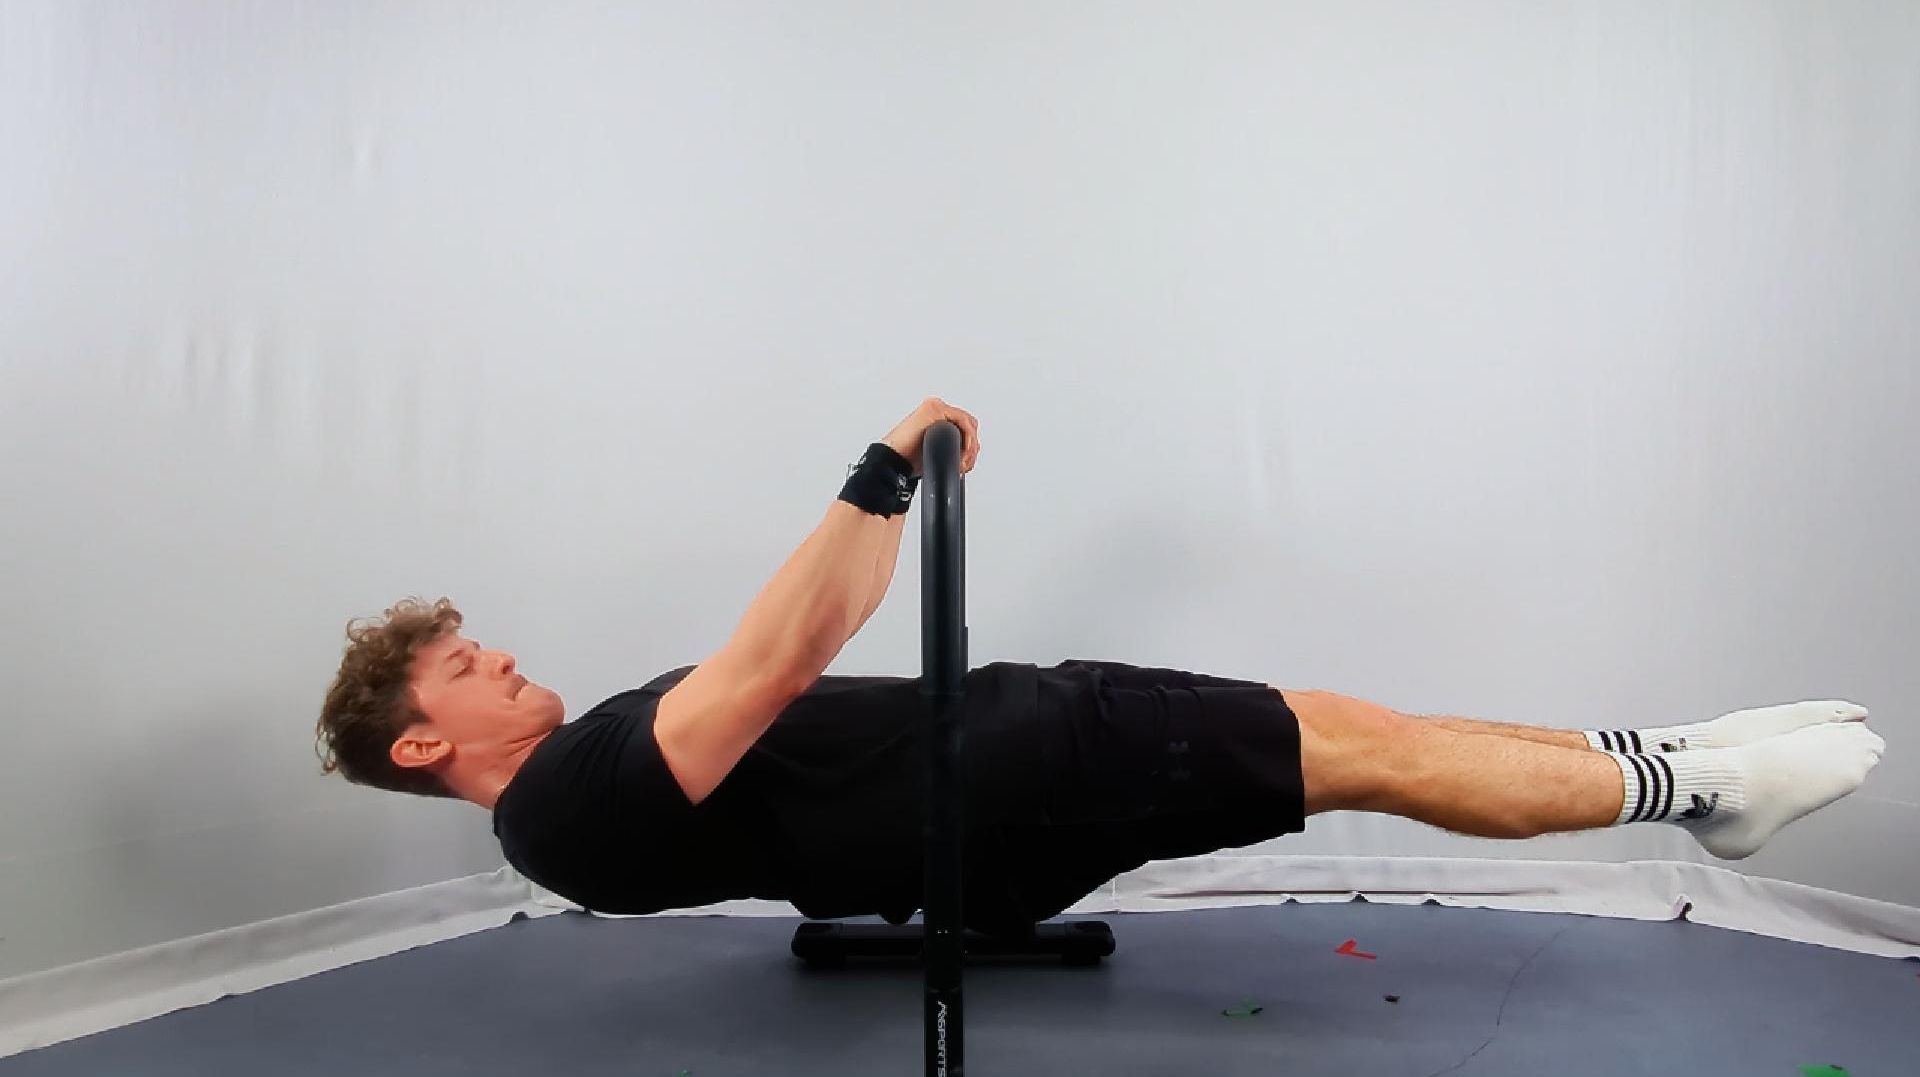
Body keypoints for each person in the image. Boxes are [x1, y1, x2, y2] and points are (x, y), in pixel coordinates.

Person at [313, 398, 1885, 935]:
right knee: (1366, 757)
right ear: (422, 749)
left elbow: (787, 659)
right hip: (1012, 776)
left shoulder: (584, 764)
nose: (494, 652)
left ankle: (1659, 751)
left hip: (1014, 740)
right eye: (460, 665)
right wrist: (883, 460)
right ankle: (1698, 794)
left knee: (1354, 724)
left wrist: (899, 470)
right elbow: (786, 652)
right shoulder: (565, 810)